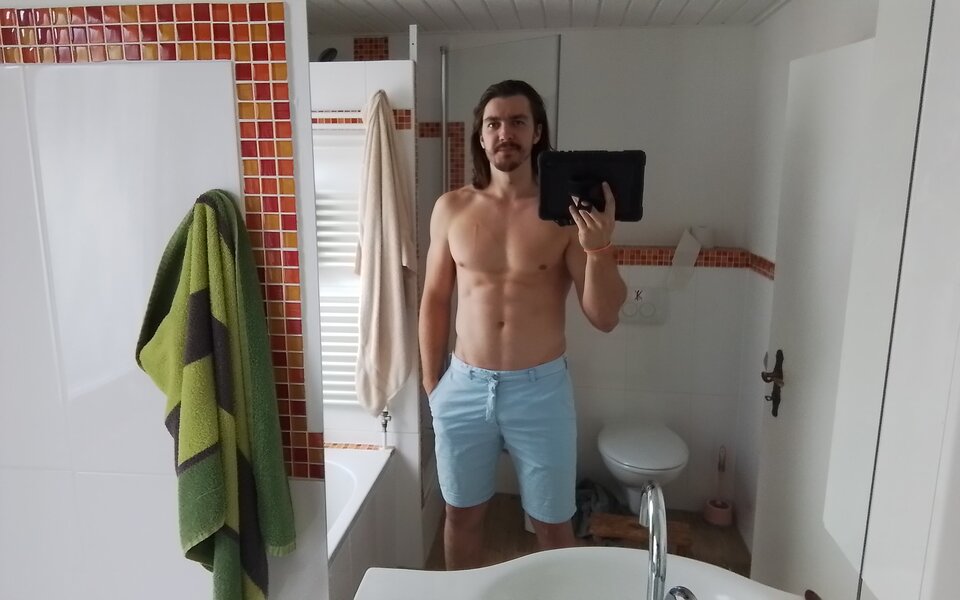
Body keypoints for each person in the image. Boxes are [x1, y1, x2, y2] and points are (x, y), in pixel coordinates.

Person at [418, 80, 627, 570]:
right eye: (493, 123)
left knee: (553, 526)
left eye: (517, 122)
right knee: (461, 516)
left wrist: (600, 248)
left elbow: (604, 316)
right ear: (481, 135)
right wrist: (433, 387)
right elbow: (435, 298)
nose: (504, 133)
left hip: (540, 392)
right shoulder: (451, 208)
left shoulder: (567, 215)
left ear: (537, 132)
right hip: (463, 387)